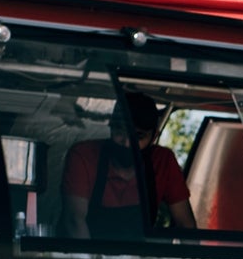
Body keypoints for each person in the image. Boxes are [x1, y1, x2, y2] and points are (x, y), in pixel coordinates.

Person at [61, 90, 195, 238]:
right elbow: (74, 220)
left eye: (138, 136)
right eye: (120, 132)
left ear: (154, 136)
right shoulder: (84, 155)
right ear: (111, 127)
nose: (127, 143)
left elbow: (186, 225)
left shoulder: (163, 161)